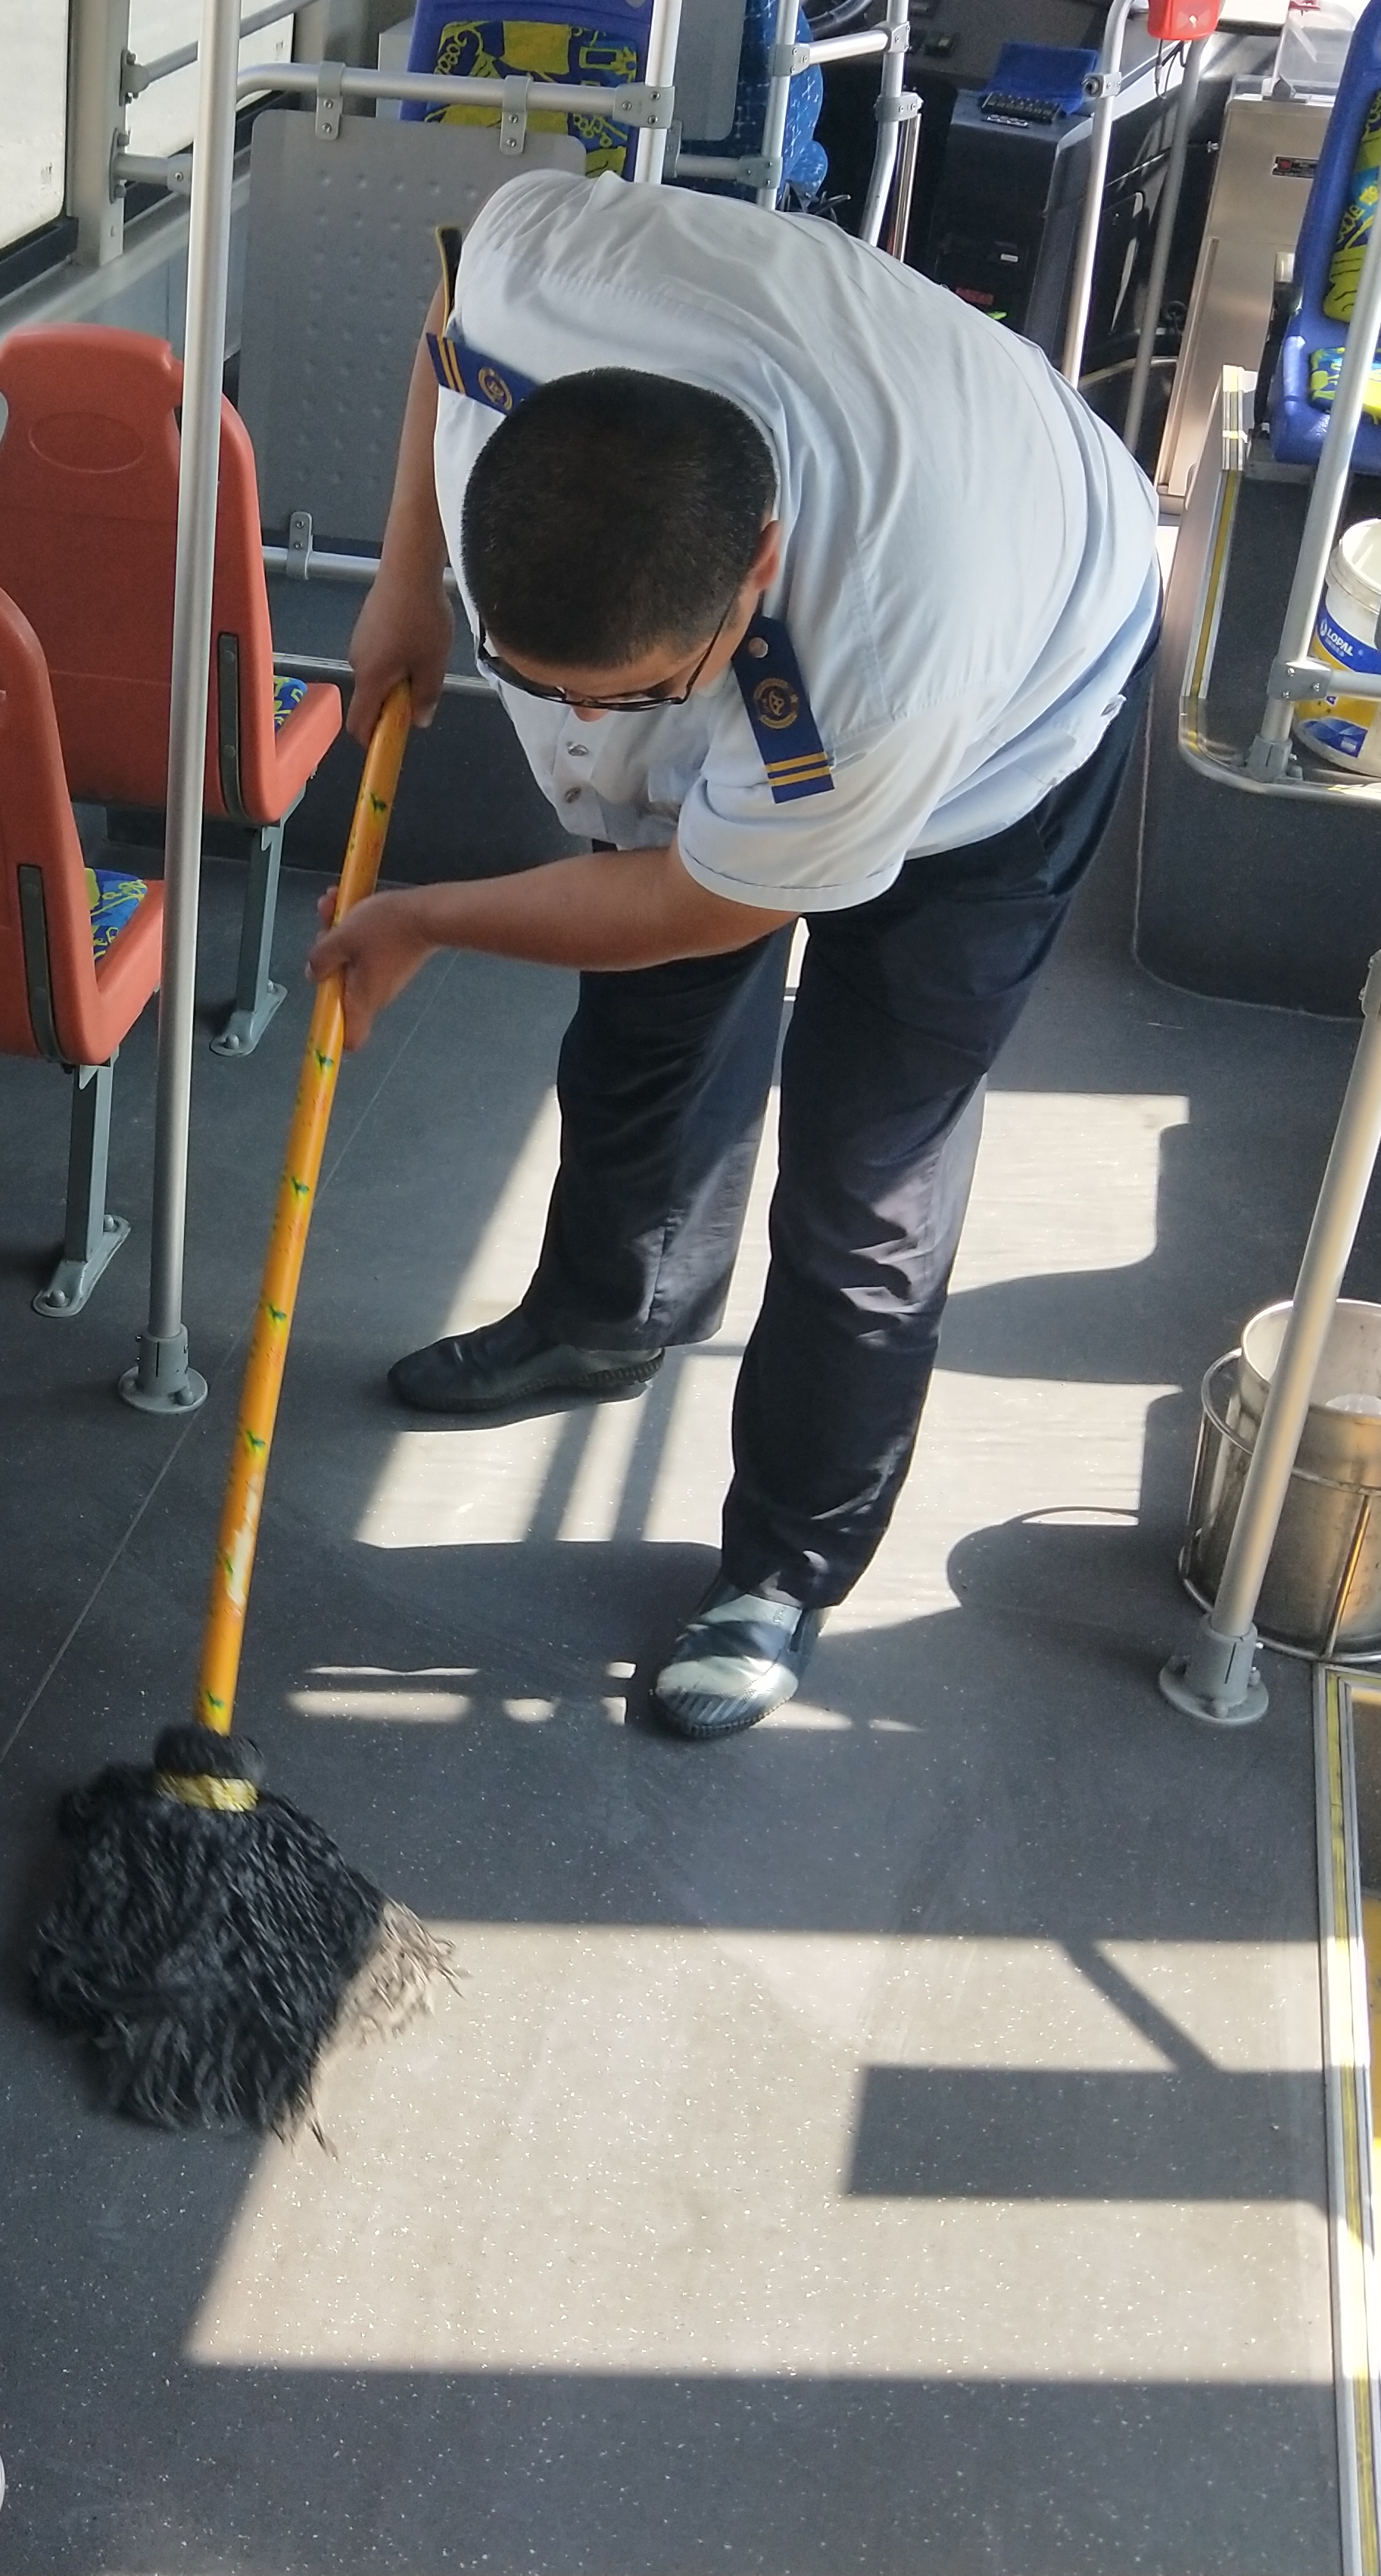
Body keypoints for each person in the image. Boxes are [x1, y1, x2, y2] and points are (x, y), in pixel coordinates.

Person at [309, 168, 1159, 1742]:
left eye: (630, 697)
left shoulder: (886, 653)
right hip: (855, 499)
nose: (581, 727)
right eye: (533, 679)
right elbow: (445, 327)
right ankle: (604, 1315)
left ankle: (784, 1568)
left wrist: (427, 915)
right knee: (638, 1023)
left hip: (1019, 699)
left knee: (865, 1181)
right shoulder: (532, 279)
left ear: (753, 571)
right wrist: (409, 585)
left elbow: (709, 904)